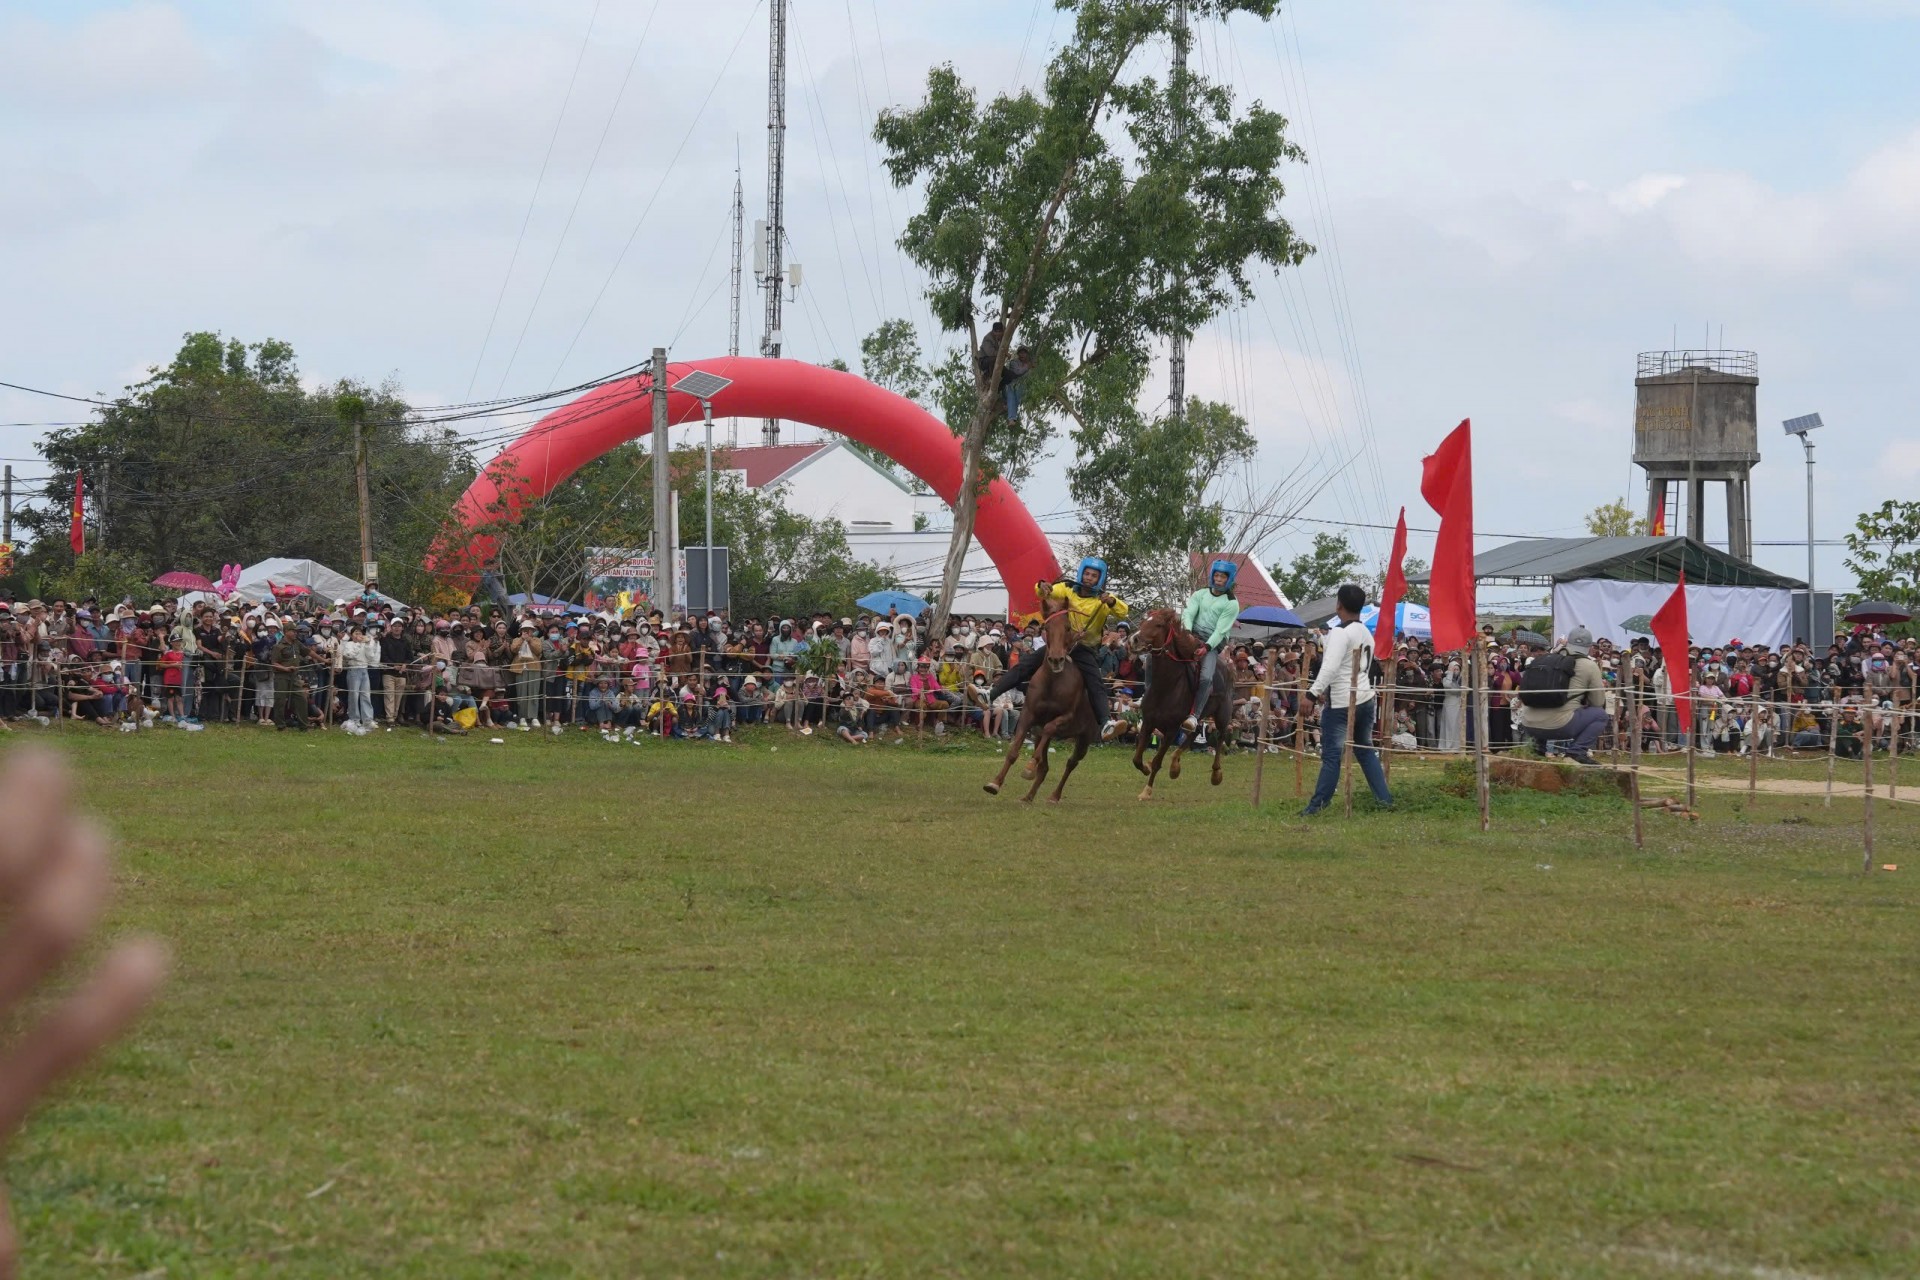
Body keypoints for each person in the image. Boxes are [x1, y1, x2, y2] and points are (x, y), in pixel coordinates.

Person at [990, 557, 1126, 731]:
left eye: (1093, 575)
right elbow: (1044, 592)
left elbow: (1123, 611)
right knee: (1025, 665)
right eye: (1087, 573)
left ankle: (1106, 722)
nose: (1089, 578)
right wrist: (1042, 586)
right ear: (1081, 573)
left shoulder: (1104, 599)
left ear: (1100, 578)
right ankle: (990, 694)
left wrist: (1113, 602)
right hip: (1062, 644)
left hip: (1084, 648)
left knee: (1095, 682)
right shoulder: (1067, 589)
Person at [1300, 584, 1392, 817]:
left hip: (1342, 701)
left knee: (1331, 755)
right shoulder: (1365, 632)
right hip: (1365, 697)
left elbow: (1330, 667)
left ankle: (1317, 805)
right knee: (1365, 750)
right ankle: (1384, 800)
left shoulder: (1340, 632)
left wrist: (1311, 693)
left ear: (1338, 604)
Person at [1513, 626, 1608, 764]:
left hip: (1528, 723)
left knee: (1547, 704)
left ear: (1567, 643)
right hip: (1559, 727)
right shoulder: (1589, 665)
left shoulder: (1547, 659)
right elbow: (1598, 702)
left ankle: (1538, 748)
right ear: (1589, 647)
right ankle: (1577, 751)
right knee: (1600, 715)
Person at [1177, 560, 1242, 734]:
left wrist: (1206, 647)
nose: (1219, 579)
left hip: (1212, 643)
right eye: (1216, 575)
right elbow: (1189, 613)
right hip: (1191, 634)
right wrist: (1188, 632)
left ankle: (1194, 715)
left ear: (1229, 579)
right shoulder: (1200, 594)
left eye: (1222, 576)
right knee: (1158, 657)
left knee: (1206, 678)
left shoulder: (1232, 602)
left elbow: (1221, 630)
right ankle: (1147, 695)